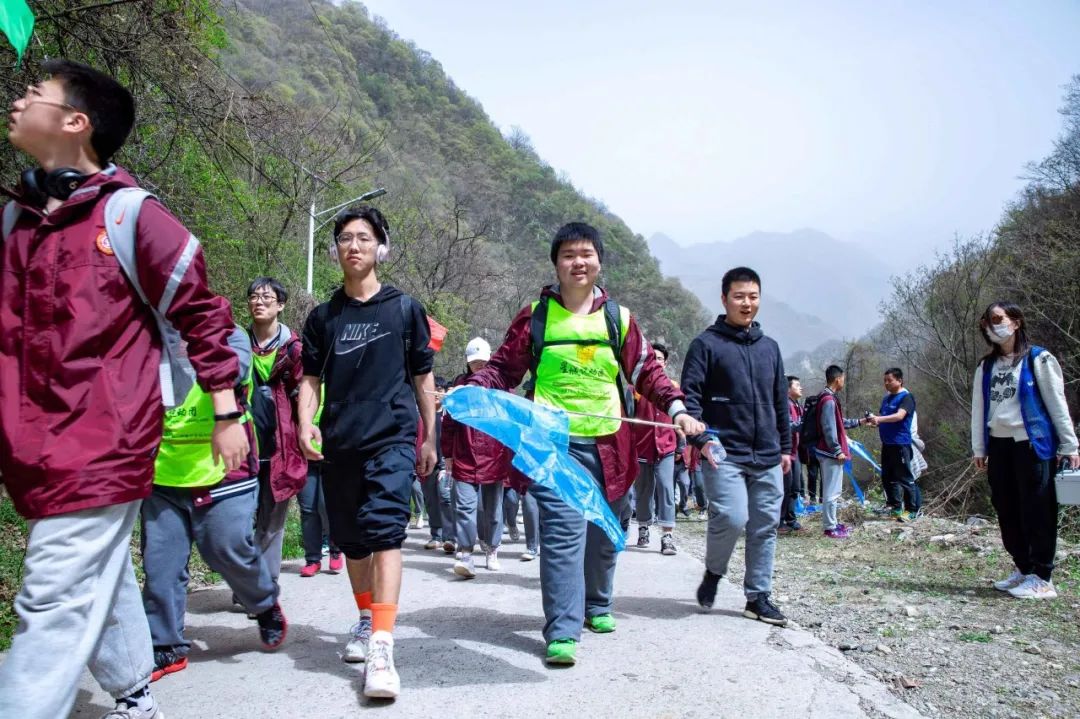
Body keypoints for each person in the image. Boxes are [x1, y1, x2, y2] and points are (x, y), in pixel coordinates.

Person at [0, 60, 247, 719]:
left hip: (104, 441)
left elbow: (204, 312)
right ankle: (137, 694)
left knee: (51, 599)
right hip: (32, 443)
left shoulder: (130, 216)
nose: (19, 101)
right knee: (95, 580)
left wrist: (227, 410)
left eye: (35, 94)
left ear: (75, 122)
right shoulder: (15, 221)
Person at [465, 222, 703, 665]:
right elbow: (503, 368)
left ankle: (597, 602)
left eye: (586, 253)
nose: (578, 261)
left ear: (598, 261)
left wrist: (677, 410)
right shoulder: (536, 316)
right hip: (553, 444)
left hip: (612, 443)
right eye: (569, 254)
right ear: (556, 264)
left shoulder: (619, 319)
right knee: (562, 534)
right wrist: (473, 388)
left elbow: (647, 373)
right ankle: (562, 628)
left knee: (604, 532)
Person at [298, 204, 437, 699]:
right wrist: (304, 424)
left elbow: (423, 377)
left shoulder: (404, 309)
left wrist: (429, 436)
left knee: (384, 532)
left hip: (393, 437)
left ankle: (382, 643)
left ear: (381, 247)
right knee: (352, 541)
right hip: (340, 440)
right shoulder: (322, 317)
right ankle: (364, 618)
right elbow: (309, 378)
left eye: (362, 238)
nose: (352, 246)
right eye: (343, 239)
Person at [141, 329, 286, 682]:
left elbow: (233, 369)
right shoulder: (144, 334)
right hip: (162, 473)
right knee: (160, 562)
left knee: (226, 549)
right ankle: (166, 644)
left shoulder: (229, 335)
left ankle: (264, 602)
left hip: (224, 467)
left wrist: (190, 346)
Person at [681, 267, 792, 626]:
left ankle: (757, 597)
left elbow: (780, 403)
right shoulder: (706, 345)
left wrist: (786, 449)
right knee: (730, 517)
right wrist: (700, 439)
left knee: (764, 525)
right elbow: (691, 398)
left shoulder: (770, 348)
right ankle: (714, 572)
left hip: (768, 453)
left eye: (753, 296)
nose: (747, 303)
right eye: (740, 296)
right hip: (723, 452)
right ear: (725, 298)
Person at [970, 301, 1079, 600]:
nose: (993, 326)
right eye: (987, 322)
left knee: (1038, 508)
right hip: (1000, 445)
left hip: (1032, 444)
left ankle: (1042, 576)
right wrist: (979, 446)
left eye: (998, 319)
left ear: (1015, 322)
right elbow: (979, 408)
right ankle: (1023, 567)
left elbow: (1057, 404)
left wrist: (1070, 444)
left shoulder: (1038, 359)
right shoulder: (986, 366)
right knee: (1006, 508)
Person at [246, 277, 311, 580]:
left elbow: (307, 398)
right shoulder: (236, 343)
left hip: (280, 447)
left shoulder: (294, 350)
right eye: (254, 297)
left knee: (271, 521)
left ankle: (263, 585)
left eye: (266, 297)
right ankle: (246, 580)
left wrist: (307, 435)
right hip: (241, 445)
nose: (258, 302)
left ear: (281, 305)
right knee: (238, 519)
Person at [443, 337, 511, 576]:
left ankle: (492, 548)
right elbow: (449, 422)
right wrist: (447, 454)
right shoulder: (459, 387)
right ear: (467, 363)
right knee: (465, 507)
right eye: (474, 363)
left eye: (483, 362)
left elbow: (511, 422)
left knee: (492, 509)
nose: (478, 367)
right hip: (464, 455)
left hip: (494, 456)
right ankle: (465, 552)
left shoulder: (501, 387)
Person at [633, 343, 681, 555]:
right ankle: (643, 528)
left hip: (666, 447)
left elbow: (680, 419)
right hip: (642, 447)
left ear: (665, 362)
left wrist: (682, 445)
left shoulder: (673, 387)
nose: (658, 361)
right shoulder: (636, 388)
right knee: (643, 490)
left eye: (661, 358)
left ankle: (667, 536)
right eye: (654, 358)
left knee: (666, 488)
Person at [814, 365, 869, 539]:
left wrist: (859, 422)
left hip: (828, 452)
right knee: (831, 491)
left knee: (834, 490)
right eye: (843, 378)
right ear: (838, 379)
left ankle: (833, 524)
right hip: (830, 453)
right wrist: (837, 450)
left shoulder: (827, 398)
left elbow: (838, 423)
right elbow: (829, 428)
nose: (843, 381)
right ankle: (830, 528)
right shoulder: (828, 400)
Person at [868, 368, 922, 521]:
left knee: (905, 477)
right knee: (887, 477)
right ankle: (895, 507)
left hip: (900, 444)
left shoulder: (906, 397)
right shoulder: (886, 399)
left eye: (889, 380)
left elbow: (899, 416)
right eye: (884, 380)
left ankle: (912, 510)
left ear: (899, 380)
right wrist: (874, 422)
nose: (886, 383)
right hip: (887, 444)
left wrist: (879, 419)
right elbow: (884, 419)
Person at [421, 377, 453, 550]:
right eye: (433, 388)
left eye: (439, 389)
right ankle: (436, 535)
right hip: (427, 462)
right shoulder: (423, 416)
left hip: (445, 462)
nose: (435, 393)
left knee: (445, 497)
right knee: (431, 499)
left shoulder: (449, 414)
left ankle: (450, 537)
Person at [779, 376, 805, 534]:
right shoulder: (785, 406)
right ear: (788, 389)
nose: (801, 387)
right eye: (797, 385)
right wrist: (806, 423)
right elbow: (788, 426)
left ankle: (791, 518)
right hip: (785, 453)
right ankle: (779, 521)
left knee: (795, 488)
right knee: (785, 488)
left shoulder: (798, 406)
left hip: (796, 453)